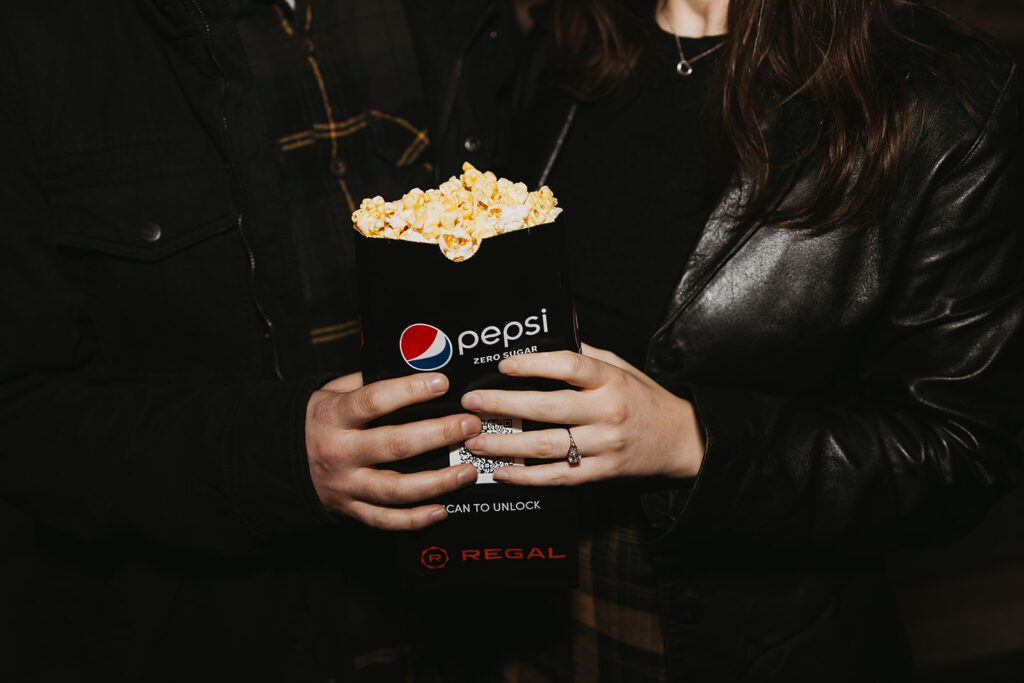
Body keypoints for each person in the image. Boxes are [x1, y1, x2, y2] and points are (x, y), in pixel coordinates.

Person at [463, 0, 1024, 680]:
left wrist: (691, 438)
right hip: (531, 605)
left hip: (749, 637)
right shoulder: (567, 43)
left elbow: (961, 453)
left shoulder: (940, 94)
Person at [0, 0, 524, 680]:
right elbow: (24, 415)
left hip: (473, 630)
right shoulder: (40, 39)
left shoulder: (457, 17)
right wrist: (275, 458)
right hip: (215, 637)